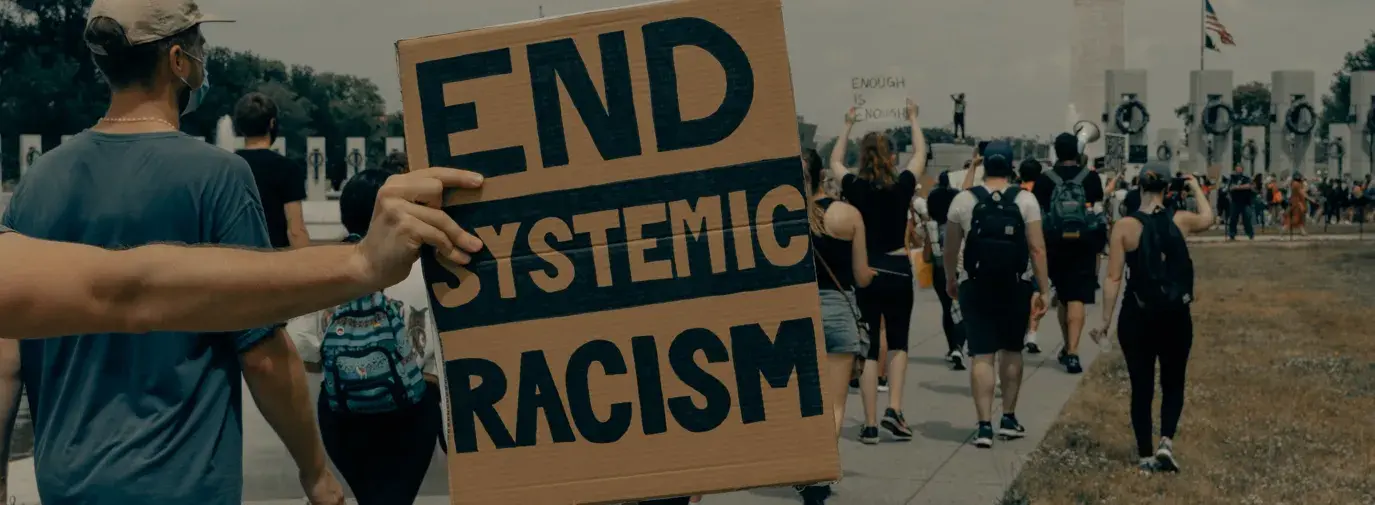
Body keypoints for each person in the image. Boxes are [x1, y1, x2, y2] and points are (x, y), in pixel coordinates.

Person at [0, 4, 472, 503]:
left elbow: (8, 356)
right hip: (182, 478)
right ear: (178, 61)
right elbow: (262, 352)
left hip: (66, 481)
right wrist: (314, 470)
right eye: (200, 45)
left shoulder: (39, 182)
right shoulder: (215, 177)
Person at [284, 170, 443, 504]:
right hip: (412, 411)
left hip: (344, 414)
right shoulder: (425, 268)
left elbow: (302, 352)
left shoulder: (325, 271)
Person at [1092, 162, 1213, 473]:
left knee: (1141, 385)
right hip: (1175, 315)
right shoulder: (1180, 219)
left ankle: (1145, 455)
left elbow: (1113, 278)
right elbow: (1208, 218)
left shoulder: (1124, 227)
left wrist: (1105, 321)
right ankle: (1166, 441)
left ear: (1139, 187)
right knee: (1173, 381)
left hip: (1137, 315)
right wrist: (1195, 187)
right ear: (1167, 189)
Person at [829, 99, 926, 444]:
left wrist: (847, 124)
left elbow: (835, 162)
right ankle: (894, 410)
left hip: (866, 268)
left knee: (869, 347)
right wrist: (913, 120)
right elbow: (920, 153)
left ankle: (869, 423)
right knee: (898, 342)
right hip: (898, 267)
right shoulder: (903, 185)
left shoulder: (855, 187)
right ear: (891, 157)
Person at [943, 141, 1051, 448]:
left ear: (984, 165)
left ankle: (983, 426)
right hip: (1015, 284)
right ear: (1011, 166)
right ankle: (1008, 418)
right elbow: (1037, 248)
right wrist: (1043, 289)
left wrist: (951, 278)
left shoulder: (963, 199)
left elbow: (950, 247)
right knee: (1012, 350)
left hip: (975, 284)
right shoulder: (1025, 200)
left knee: (982, 354)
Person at [793, 148, 875, 504]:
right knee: (834, 403)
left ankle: (804, 466)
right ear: (822, 176)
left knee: (800, 402)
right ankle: (818, 476)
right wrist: (870, 276)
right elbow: (860, 275)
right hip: (837, 311)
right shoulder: (848, 215)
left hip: (794, 312)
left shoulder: (780, 216)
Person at [1032, 133, 1106, 374]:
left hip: (1055, 244)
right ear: (1077, 151)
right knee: (1077, 297)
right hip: (1083, 243)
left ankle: (1067, 346)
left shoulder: (1045, 179)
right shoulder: (1091, 178)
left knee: (1064, 295)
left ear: (1056, 151)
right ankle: (1072, 351)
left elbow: (1038, 213)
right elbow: (1098, 209)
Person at [235, 92, 310, 249]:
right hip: (274, 257)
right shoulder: (287, 168)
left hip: (235, 257)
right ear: (272, 123)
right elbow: (295, 231)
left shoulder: (226, 167)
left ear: (240, 126)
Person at [924, 171, 964, 370]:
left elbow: (926, 256)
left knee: (947, 308)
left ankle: (952, 347)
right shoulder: (961, 223)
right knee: (962, 309)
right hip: (961, 267)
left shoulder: (932, 227)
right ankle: (960, 346)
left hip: (939, 270)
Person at [1017, 159, 1045, 355]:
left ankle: (1018, 331)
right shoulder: (1040, 193)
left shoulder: (1013, 193)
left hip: (1015, 248)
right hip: (1034, 245)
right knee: (1036, 290)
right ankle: (1032, 334)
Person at [1225, 164, 1255, 240]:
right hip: (1235, 201)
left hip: (1245, 202)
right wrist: (1235, 188)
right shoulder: (1232, 178)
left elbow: (1249, 186)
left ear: (1242, 169)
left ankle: (1250, 234)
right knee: (1233, 218)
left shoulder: (1246, 177)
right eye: (1237, 168)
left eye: (1240, 168)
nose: (1238, 170)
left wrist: (1237, 187)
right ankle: (1232, 234)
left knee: (1246, 219)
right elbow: (1230, 187)